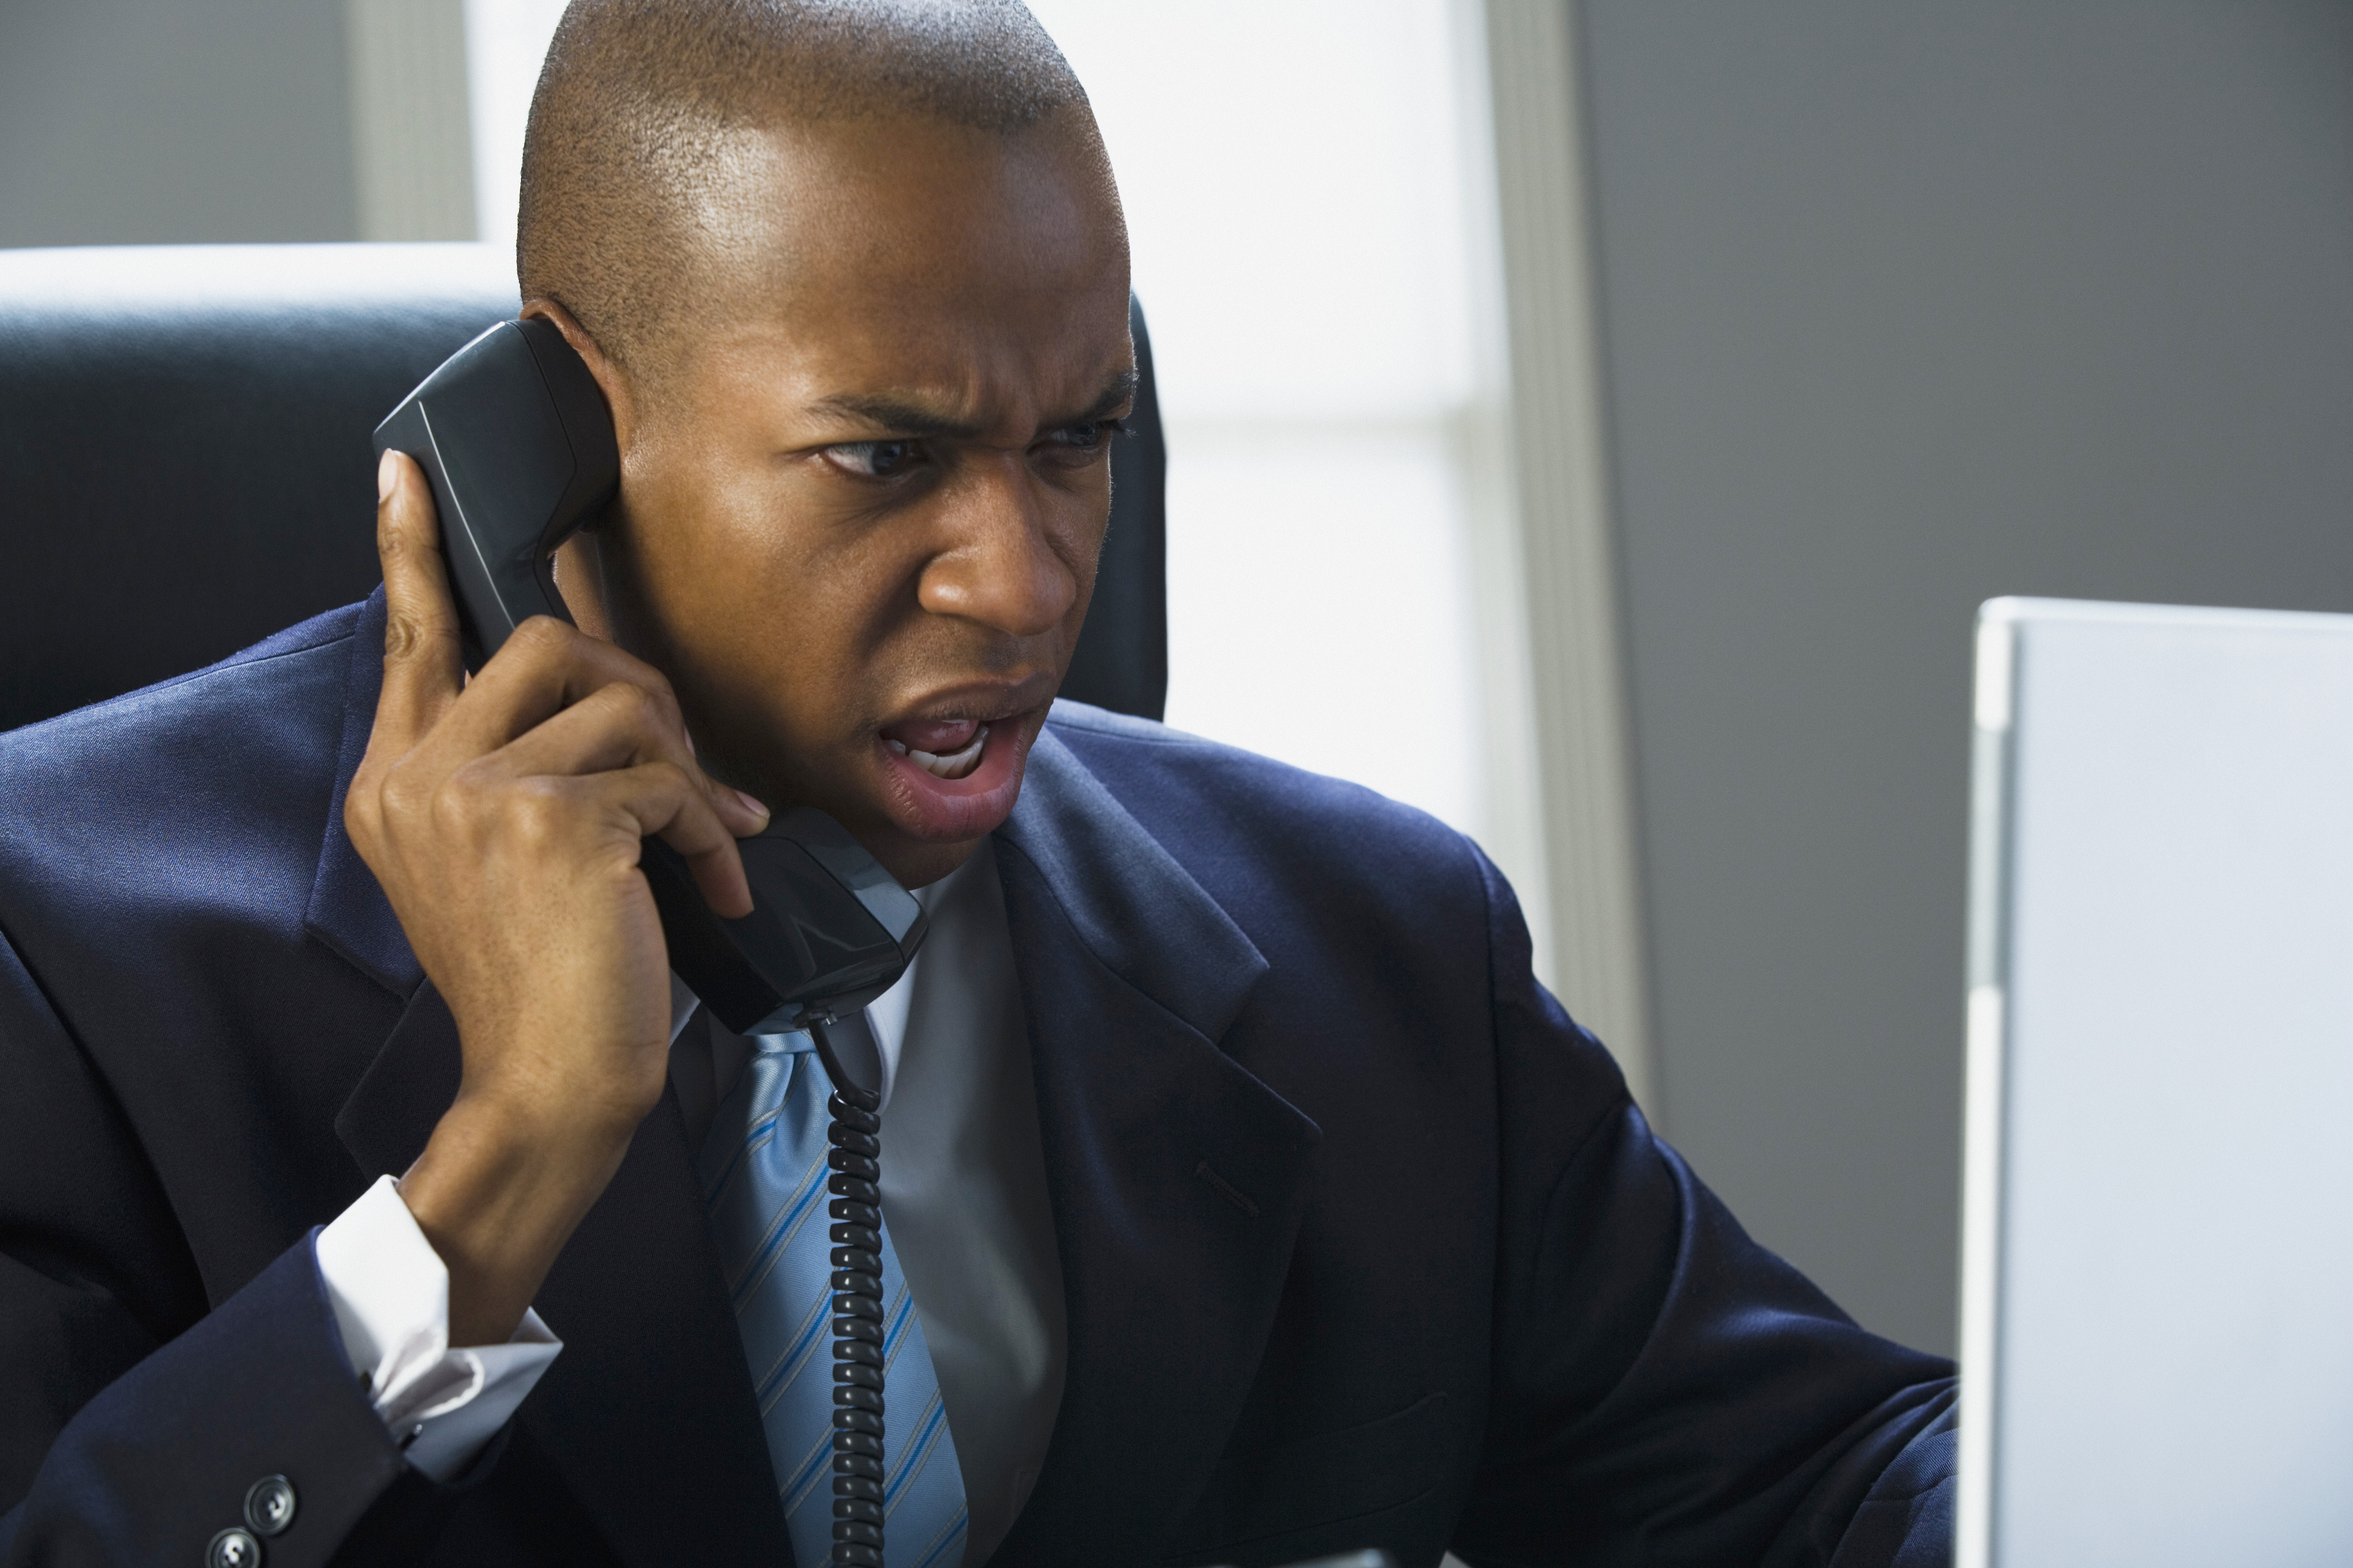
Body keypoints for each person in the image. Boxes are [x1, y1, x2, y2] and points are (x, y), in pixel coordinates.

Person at [0, 2, 1955, 1564]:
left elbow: (1846, 1473)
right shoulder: (66, 951)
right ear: (558, 437)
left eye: (1081, 436)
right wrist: (492, 1173)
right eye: (886, 457)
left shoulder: (1385, 948)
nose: (1024, 583)